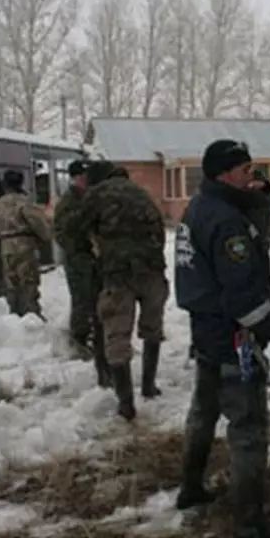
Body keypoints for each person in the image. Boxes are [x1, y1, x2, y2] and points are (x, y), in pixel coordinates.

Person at [173, 139, 270, 538]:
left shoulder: (198, 207)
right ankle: (249, 526)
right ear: (224, 173)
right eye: (246, 170)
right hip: (232, 336)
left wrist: (256, 199)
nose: (253, 176)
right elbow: (242, 297)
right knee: (248, 430)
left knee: (204, 412)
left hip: (205, 332)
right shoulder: (227, 222)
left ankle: (191, 487)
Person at [81, 161, 167, 421]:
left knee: (117, 334)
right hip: (152, 269)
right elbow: (160, 230)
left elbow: (77, 229)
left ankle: (126, 402)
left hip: (117, 273)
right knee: (152, 328)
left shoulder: (96, 194)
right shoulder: (142, 194)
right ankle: (149, 385)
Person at [52, 159, 100, 362]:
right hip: (77, 258)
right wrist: (80, 246)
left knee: (94, 298)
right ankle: (79, 340)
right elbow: (61, 232)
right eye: (83, 176)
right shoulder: (69, 202)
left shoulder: (88, 197)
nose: (86, 180)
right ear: (75, 178)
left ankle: (93, 337)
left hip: (91, 257)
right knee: (82, 299)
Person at [0, 170, 52, 318]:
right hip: (24, 244)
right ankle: (31, 313)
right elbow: (37, 223)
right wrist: (45, 236)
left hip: (6, 246)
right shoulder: (24, 202)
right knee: (28, 279)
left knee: (11, 280)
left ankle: (14, 312)